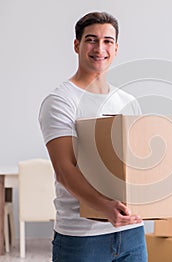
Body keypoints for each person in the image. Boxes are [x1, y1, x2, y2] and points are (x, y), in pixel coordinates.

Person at [38, 11, 147, 262]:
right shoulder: (61, 101)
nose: (100, 48)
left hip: (131, 232)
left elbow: (140, 166)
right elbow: (65, 169)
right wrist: (104, 207)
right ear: (77, 45)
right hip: (82, 237)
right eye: (91, 39)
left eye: (108, 41)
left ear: (116, 48)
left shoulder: (127, 102)